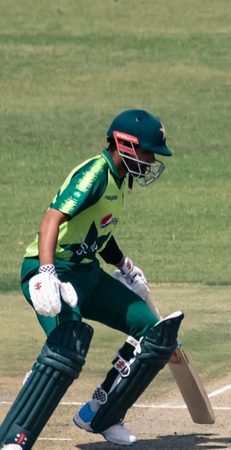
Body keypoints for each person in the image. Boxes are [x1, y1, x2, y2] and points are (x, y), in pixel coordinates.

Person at [0, 109, 183, 450]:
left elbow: (99, 232)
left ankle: (101, 414)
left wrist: (125, 266)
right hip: (52, 273)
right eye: (147, 153)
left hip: (87, 274)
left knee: (153, 332)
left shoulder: (121, 180)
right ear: (124, 144)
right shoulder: (95, 174)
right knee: (66, 352)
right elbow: (51, 219)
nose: (150, 161)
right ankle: (13, 439)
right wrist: (46, 272)